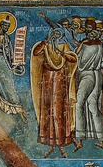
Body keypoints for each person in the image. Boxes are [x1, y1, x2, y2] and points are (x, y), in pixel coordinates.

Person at [30, 28, 78, 157]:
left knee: (60, 110)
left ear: (61, 35)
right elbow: (36, 52)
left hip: (60, 79)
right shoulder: (46, 45)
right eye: (53, 33)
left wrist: (63, 54)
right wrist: (45, 42)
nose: (55, 36)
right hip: (48, 80)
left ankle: (61, 143)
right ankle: (51, 144)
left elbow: (73, 59)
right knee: (48, 110)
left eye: (58, 34)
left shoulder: (64, 46)